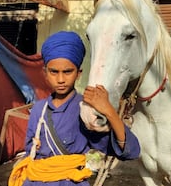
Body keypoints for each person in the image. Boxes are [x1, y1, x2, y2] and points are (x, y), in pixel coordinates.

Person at [9, 31, 140, 186]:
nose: (61, 79)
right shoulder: (39, 109)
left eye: (67, 72)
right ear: (45, 73)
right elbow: (30, 150)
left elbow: (129, 151)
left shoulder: (85, 111)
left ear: (79, 73)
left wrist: (109, 112)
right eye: (54, 72)